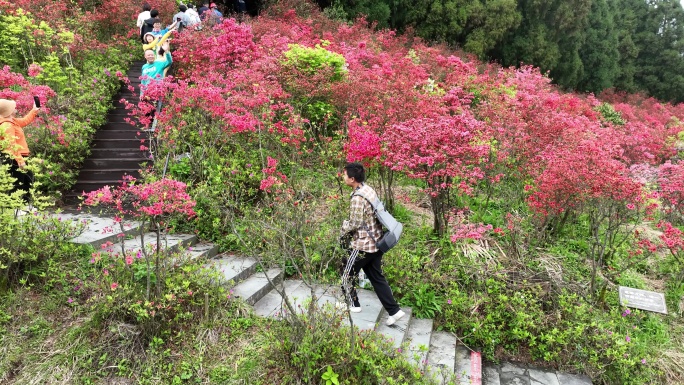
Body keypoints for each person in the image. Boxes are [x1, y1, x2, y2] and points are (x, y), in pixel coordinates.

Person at [338, 162, 405, 326]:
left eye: (345, 174)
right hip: (377, 242)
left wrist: (343, 226)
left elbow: (354, 222)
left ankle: (352, 304)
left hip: (363, 245)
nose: (343, 176)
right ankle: (394, 311)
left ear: (352, 178)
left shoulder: (357, 198)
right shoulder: (367, 190)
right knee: (376, 277)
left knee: (346, 270)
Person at [0, 98, 40, 203]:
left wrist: (34, 110)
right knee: (19, 184)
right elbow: (11, 145)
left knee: (27, 181)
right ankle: (18, 209)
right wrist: (20, 161)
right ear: (8, 111)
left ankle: (24, 207)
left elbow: (25, 120)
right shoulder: (7, 125)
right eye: (13, 107)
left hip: (19, 157)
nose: (15, 108)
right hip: (14, 158)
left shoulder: (12, 121)